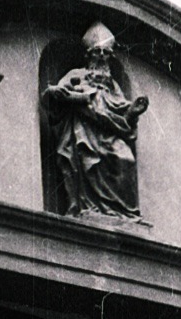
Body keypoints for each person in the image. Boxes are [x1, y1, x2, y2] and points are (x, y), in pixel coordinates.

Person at [42, 23, 149, 219]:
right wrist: (59, 92)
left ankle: (123, 214)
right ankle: (87, 207)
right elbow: (53, 96)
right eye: (97, 52)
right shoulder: (76, 75)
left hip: (110, 133)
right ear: (89, 55)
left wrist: (133, 111)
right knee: (86, 159)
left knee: (125, 159)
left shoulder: (112, 84)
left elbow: (121, 111)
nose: (101, 56)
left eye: (106, 53)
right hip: (83, 131)